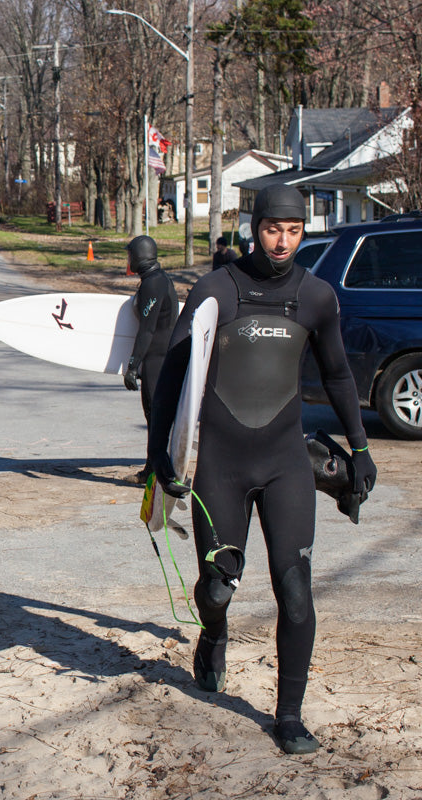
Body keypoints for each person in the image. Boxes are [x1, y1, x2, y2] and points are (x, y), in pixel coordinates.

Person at [146, 184, 376, 755]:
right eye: (273, 228)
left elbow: (341, 375)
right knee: (219, 589)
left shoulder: (317, 297)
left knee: (295, 590)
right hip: (221, 465)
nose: (282, 241)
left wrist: (361, 446)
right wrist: (161, 457)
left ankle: (290, 715)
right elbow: (174, 374)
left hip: (285, 464)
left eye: (293, 230)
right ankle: (213, 635)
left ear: (304, 230)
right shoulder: (216, 289)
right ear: (255, 227)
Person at [123, 236, 178, 483]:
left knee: (156, 417)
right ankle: (152, 468)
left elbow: (147, 329)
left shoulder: (153, 284)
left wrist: (133, 366)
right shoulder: (156, 279)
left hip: (158, 358)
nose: (128, 260)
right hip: (158, 357)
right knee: (154, 417)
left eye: (129, 255)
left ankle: (156, 472)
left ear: (139, 256)